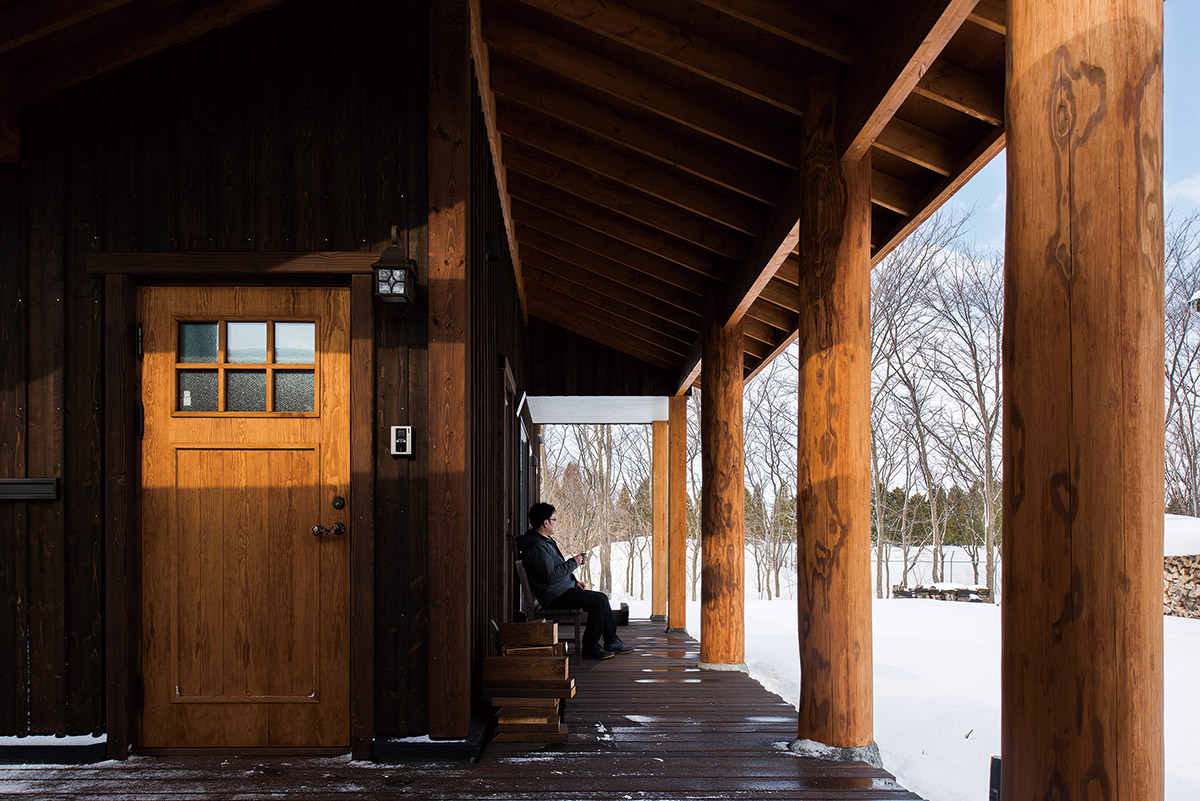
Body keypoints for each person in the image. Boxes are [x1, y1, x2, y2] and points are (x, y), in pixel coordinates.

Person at [516, 502, 634, 660]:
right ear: (546, 523)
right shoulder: (537, 546)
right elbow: (549, 576)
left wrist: (574, 582)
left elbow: (555, 570)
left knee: (601, 599)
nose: (556, 522)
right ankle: (591, 646)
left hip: (561, 590)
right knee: (599, 601)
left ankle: (611, 640)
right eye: (554, 519)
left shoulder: (544, 541)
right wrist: (574, 562)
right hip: (554, 596)